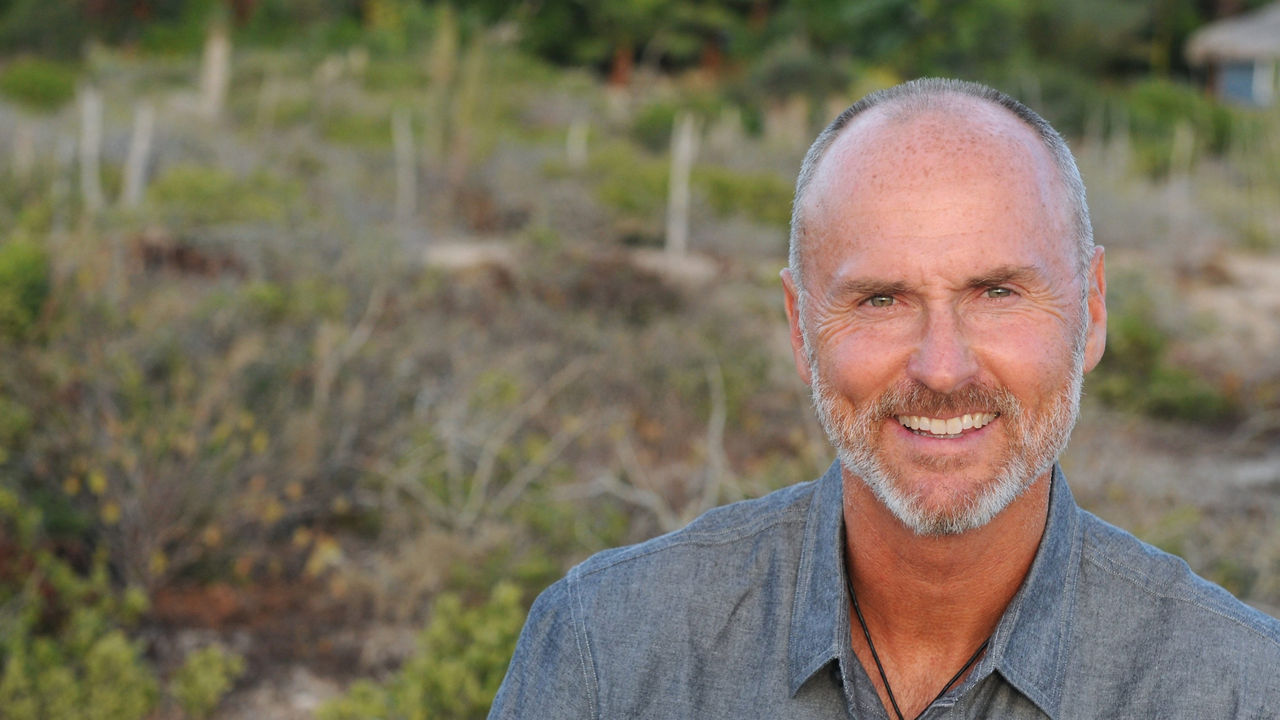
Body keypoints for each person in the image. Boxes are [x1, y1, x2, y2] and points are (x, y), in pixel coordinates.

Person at [489, 78, 1280, 719]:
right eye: (880, 300)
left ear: (1094, 310)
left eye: (997, 291)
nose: (942, 369)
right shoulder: (610, 649)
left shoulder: (1239, 690)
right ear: (801, 330)